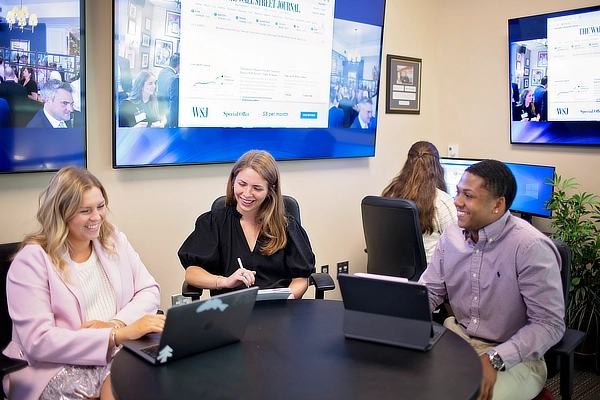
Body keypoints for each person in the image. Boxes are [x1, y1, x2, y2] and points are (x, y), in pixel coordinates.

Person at [2, 166, 164, 400]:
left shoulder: (113, 239)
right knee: (125, 384)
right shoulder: (32, 260)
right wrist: (115, 336)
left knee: (166, 372)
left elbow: (148, 290)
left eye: (100, 206)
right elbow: (39, 341)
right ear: (61, 213)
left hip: (118, 352)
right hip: (55, 366)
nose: (97, 217)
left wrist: (116, 325)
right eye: (85, 211)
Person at [419, 159, 565, 400]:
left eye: (468, 195)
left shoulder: (529, 247)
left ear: (497, 205)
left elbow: (549, 324)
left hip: (516, 358)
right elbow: (431, 290)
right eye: (458, 192)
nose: (457, 201)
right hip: (457, 341)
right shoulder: (451, 235)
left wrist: (495, 358)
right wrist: (404, 316)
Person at [178, 150, 315, 299]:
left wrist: (290, 297)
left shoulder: (287, 226)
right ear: (233, 182)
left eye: (257, 188)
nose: (247, 194)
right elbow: (192, 272)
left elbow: (301, 278)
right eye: (242, 184)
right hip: (231, 312)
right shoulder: (214, 222)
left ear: (271, 190)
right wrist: (224, 282)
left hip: (278, 310)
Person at [381, 141, 457, 263]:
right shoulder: (441, 201)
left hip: (393, 272)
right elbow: (457, 245)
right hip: (431, 275)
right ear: (437, 167)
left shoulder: (390, 194)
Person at [157, 53, 180, 128]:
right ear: (179, 65)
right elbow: (173, 103)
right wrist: (172, 125)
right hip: (169, 115)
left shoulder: (162, 72)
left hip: (161, 112)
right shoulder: (175, 79)